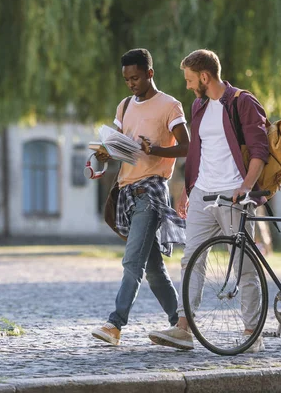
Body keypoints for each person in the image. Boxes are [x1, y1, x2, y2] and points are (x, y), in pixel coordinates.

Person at [148, 49, 269, 352]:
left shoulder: (242, 102)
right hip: (204, 193)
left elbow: (259, 151)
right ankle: (184, 328)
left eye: (190, 79)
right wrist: (188, 188)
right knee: (191, 260)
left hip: (233, 195)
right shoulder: (199, 105)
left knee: (244, 264)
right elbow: (197, 152)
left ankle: (253, 331)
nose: (187, 85)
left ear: (204, 76)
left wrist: (245, 186)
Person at [90, 48, 190, 346]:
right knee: (155, 271)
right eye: (126, 80)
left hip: (151, 193)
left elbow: (187, 146)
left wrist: (155, 150)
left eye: (135, 77)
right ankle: (183, 327)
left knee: (132, 262)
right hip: (126, 193)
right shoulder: (124, 106)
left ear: (150, 73)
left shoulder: (170, 106)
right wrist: (105, 153)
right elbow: (119, 144)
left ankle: (114, 324)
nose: (131, 84)